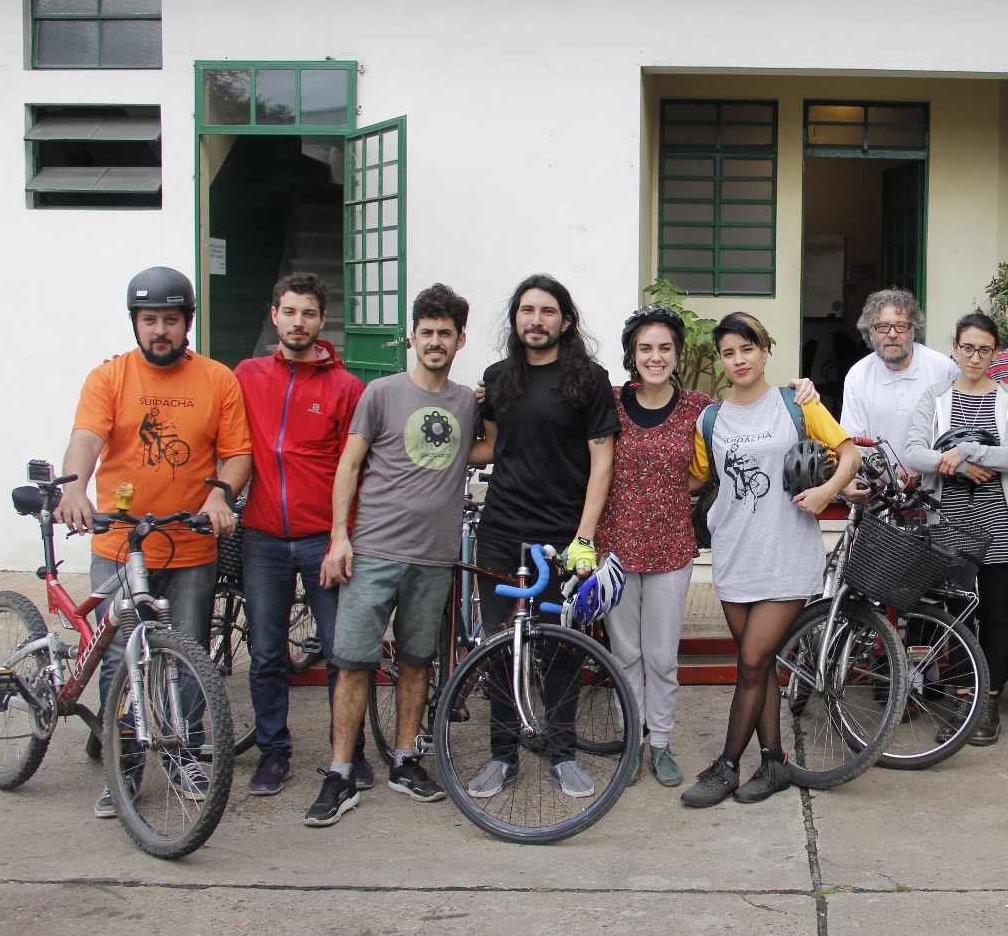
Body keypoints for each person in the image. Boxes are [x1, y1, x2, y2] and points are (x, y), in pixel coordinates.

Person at [55, 266, 252, 819]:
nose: (159, 330)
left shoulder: (217, 379)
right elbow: (86, 438)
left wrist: (220, 496)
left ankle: (183, 753)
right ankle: (124, 764)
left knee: (187, 653)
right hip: (120, 544)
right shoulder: (109, 377)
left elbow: (238, 453)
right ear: (135, 323)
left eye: (169, 319)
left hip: (189, 544)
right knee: (119, 657)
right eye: (149, 320)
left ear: (187, 322)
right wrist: (73, 488)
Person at [306, 284, 485, 827]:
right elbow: (348, 465)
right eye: (426, 332)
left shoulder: (466, 403)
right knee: (352, 662)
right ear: (412, 336)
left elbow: (490, 446)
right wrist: (340, 537)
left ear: (459, 340)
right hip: (375, 550)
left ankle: (406, 760)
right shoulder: (381, 393)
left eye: (445, 333)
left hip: (433, 558)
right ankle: (340, 772)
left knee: (416, 660)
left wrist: (498, 399)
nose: (435, 342)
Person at [680, 312, 858, 808]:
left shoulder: (795, 403)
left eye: (747, 349)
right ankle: (774, 761)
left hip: (785, 553)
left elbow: (849, 455)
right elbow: (695, 478)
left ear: (764, 351)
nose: (739, 360)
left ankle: (726, 766)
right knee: (756, 669)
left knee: (753, 661)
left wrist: (826, 492)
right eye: (728, 353)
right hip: (734, 553)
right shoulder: (711, 419)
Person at [465, 274, 621, 804]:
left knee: (559, 646)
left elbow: (602, 462)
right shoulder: (497, 379)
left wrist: (584, 537)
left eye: (547, 311)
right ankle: (502, 755)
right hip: (501, 530)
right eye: (526, 310)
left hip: (561, 535)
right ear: (516, 319)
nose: (536, 320)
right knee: (498, 645)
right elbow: (490, 445)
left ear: (566, 321)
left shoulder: (589, 379)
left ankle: (562, 753)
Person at [233, 271, 366, 797]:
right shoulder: (246, 375)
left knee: (340, 653)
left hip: (321, 539)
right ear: (274, 315)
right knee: (266, 653)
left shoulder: (345, 387)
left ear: (321, 320)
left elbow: (356, 471)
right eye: (289, 311)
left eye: (308, 313)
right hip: (262, 536)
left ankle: (348, 752)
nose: (298, 322)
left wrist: (342, 536)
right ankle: (273, 752)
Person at [595, 305, 715, 789]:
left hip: (671, 547)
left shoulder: (699, 408)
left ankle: (661, 741)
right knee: (624, 654)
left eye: (665, 347)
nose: (655, 356)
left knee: (662, 656)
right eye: (645, 348)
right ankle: (632, 741)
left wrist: (801, 393)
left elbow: (724, 451)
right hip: (615, 548)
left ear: (677, 354)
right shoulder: (610, 402)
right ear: (632, 354)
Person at [902, 313, 1008, 745]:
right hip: (950, 522)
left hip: (998, 522)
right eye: (968, 348)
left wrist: (968, 450)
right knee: (957, 614)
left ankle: (988, 700)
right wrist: (957, 467)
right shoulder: (936, 397)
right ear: (955, 348)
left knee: (996, 612)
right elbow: (913, 451)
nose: (975, 357)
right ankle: (963, 697)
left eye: (985, 349)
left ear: (996, 352)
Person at [839, 288, 957, 495]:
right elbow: (853, 442)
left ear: (914, 331)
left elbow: (956, 434)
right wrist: (851, 480)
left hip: (937, 489)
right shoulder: (858, 375)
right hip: (879, 494)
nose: (892, 334)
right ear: (870, 333)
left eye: (901, 326)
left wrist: (924, 466)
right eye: (882, 327)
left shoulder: (944, 369)